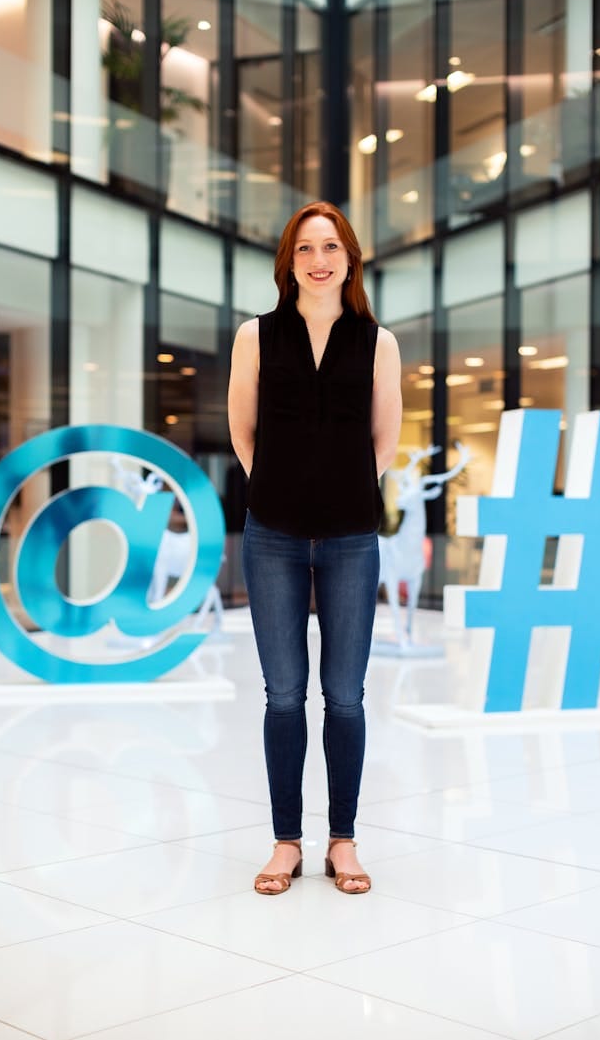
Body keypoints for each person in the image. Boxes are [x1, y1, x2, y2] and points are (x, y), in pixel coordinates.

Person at [228, 201, 402, 895]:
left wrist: (343, 493)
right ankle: (285, 842)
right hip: (271, 534)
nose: (319, 259)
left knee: (346, 697)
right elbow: (243, 431)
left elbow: (382, 440)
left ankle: (344, 841)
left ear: (350, 257)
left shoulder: (377, 341)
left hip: (353, 538)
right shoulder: (256, 336)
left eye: (330, 246)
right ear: (289, 261)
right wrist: (280, 489)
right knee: (282, 696)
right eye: (305, 249)